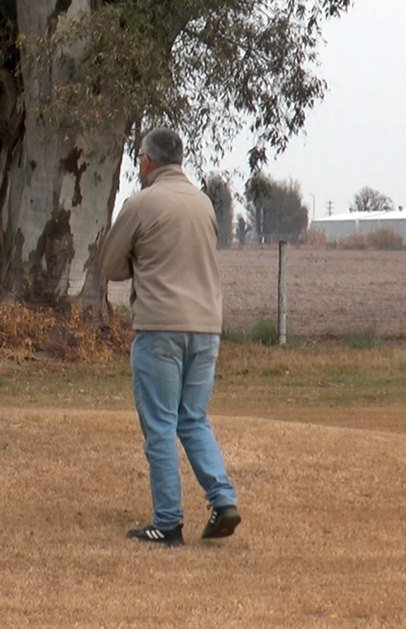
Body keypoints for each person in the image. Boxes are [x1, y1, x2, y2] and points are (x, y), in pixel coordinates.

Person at [100, 127, 241, 547]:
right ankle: (222, 498)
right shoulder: (203, 203)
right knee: (192, 418)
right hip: (206, 327)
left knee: (160, 424)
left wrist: (138, 266)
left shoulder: (142, 203)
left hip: (160, 326)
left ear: (146, 160)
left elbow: (109, 264)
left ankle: (167, 520)